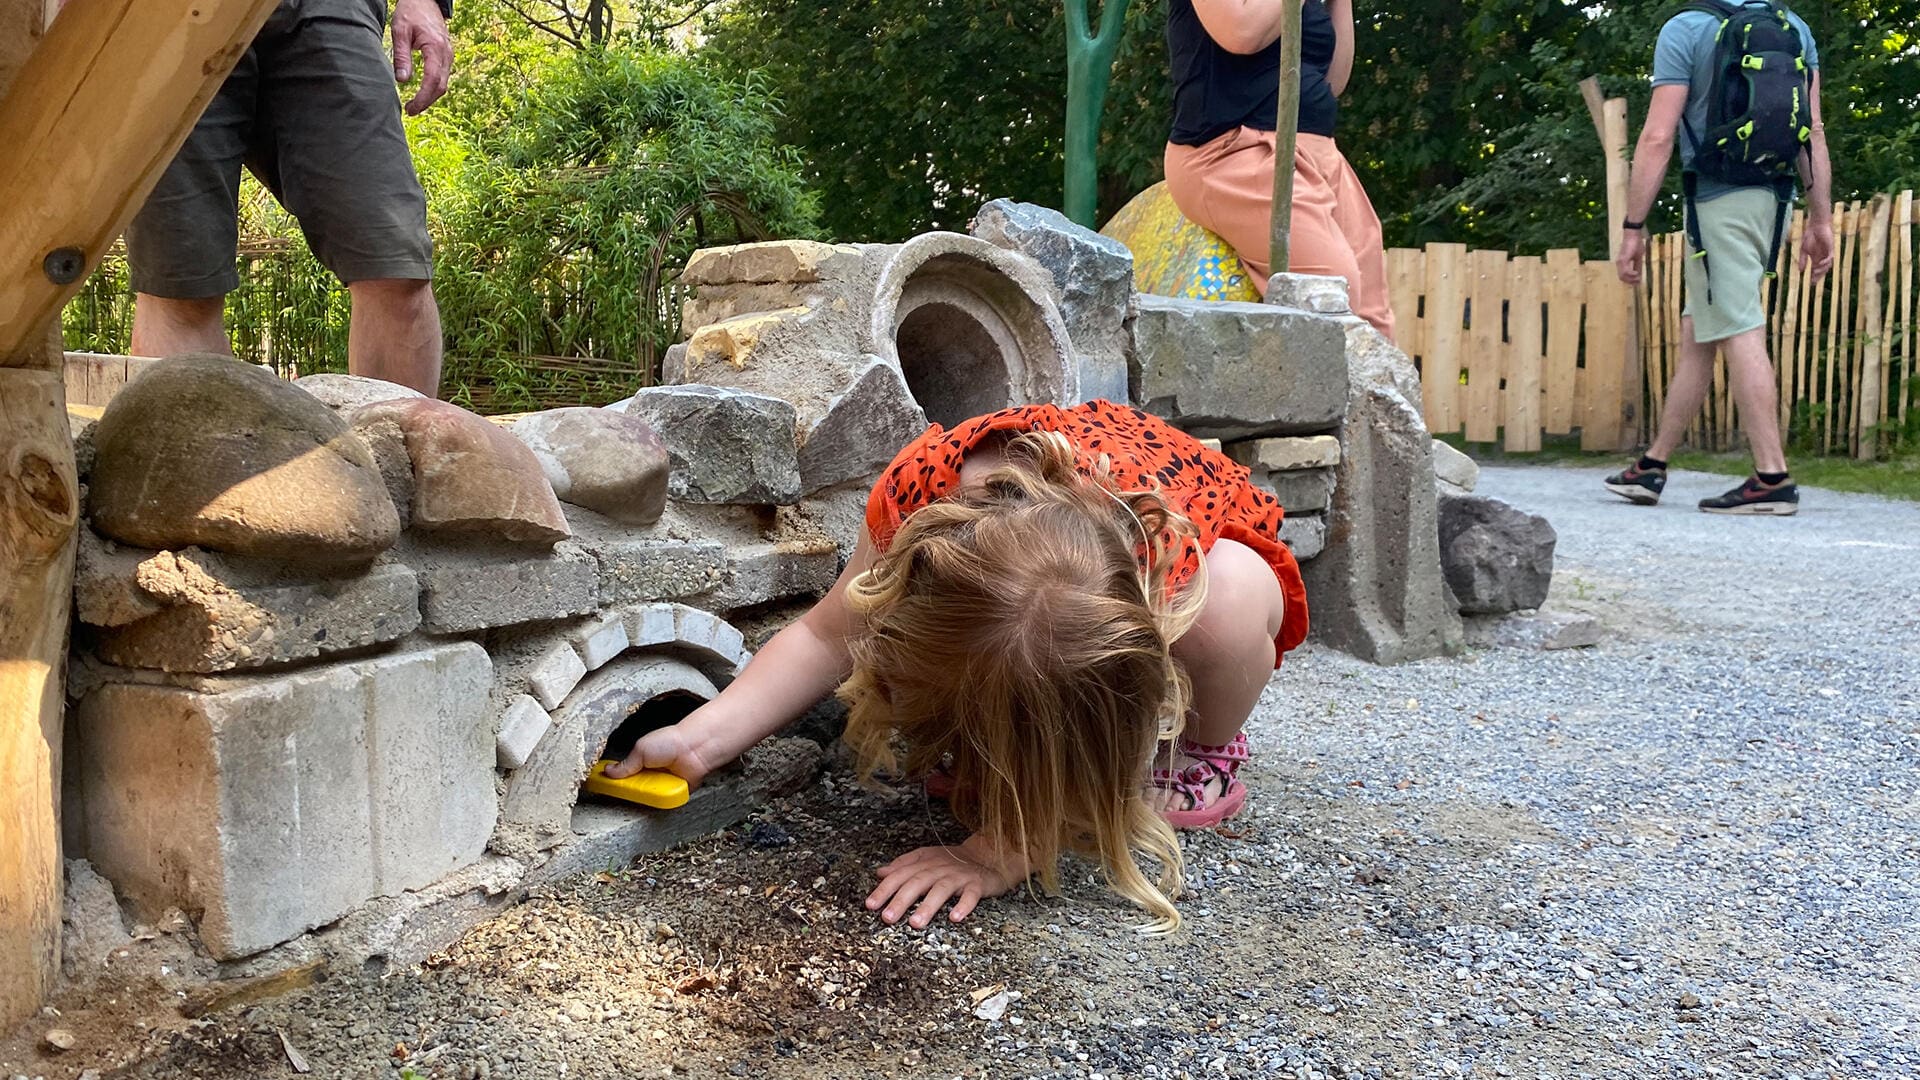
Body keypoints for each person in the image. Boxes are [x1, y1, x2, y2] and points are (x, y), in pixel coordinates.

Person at [606, 400, 1309, 930]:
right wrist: (700, 738)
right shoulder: (914, 499)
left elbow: (1098, 730)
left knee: (1232, 606)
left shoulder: (1150, 567)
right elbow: (826, 638)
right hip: (1056, 497)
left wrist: (1002, 849)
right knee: (1010, 652)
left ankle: (1209, 750)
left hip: (1191, 534)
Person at [121, 0, 454, 397]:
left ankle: (397, 457)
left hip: (329, 8)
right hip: (160, 13)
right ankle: (203, 459)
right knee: (181, 285)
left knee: (393, 265)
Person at [1609, 0, 1834, 515]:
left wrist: (1632, 227)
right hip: (1773, 200)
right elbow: (1811, 132)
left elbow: (1658, 135)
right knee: (1700, 331)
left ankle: (1772, 477)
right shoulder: (1793, 27)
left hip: (1716, 202)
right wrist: (1820, 220)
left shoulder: (1685, 28)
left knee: (1738, 326)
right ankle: (1653, 465)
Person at [1161, 0, 1396, 340]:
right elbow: (1240, 33)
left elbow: (1334, 79)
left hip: (1319, 154)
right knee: (1332, 290)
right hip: (1232, 152)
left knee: (1376, 321)